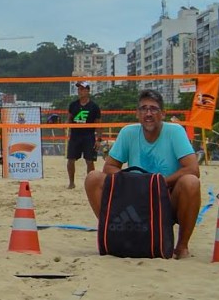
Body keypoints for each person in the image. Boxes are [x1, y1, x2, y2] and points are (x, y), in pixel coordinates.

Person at [84, 89, 201, 259]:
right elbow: (109, 167)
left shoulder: (175, 131)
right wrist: (134, 183)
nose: (148, 113)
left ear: (163, 114)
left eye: (153, 109)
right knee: (93, 178)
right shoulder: (128, 132)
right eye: (144, 109)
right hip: (134, 198)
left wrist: (158, 183)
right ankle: (114, 232)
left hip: (166, 197)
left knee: (191, 182)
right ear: (137, 114)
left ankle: (182, 246)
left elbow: (193, 168)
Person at [66, 80, 102, 189]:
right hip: (75, 136)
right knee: (70, 160)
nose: (79, 91)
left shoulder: (94, 107)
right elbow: (69, 119)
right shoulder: (73, 105)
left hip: (88, 136)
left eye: (82, 89)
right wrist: (68, 130)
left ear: (87, 91)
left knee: (90, 161)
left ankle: (91, 184)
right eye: (79, 89)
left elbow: (98, 124)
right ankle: (71, 183)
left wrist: (98, 140)